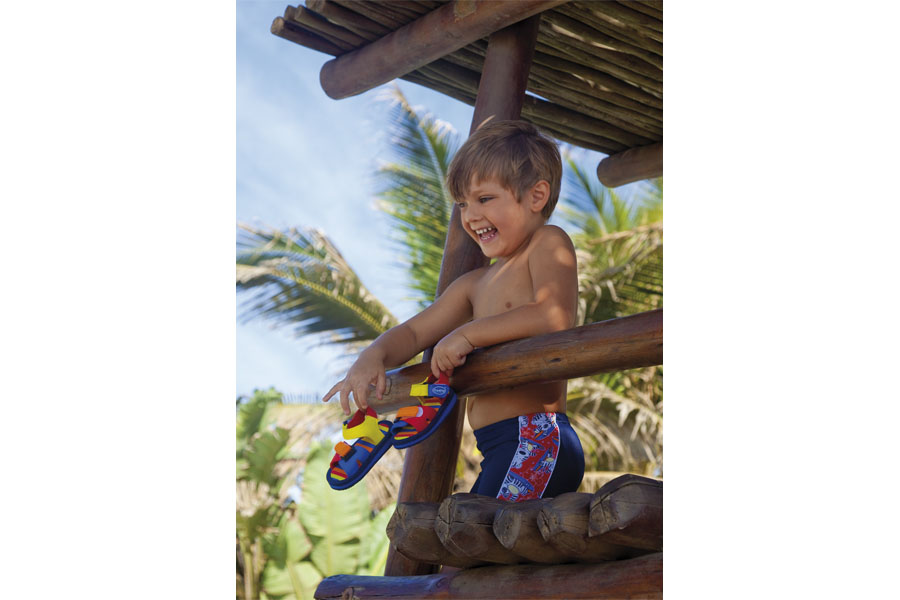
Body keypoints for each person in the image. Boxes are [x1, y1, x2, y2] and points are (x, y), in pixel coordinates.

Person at [323, 120, 584, 501]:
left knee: (476, 533)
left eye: (484, 199)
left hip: (537, 439)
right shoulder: (473, 285)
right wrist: (372, 356)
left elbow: (553, 316)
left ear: (536, 196)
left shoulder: (547, 242)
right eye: (462, 203)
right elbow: (414, 333)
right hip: (497, 448)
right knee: (462, 533)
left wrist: (467, 334)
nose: (470, 215)